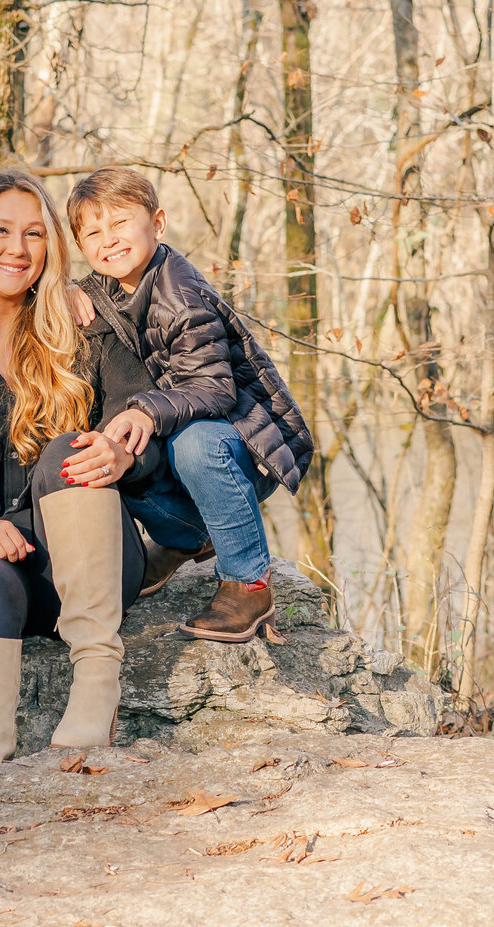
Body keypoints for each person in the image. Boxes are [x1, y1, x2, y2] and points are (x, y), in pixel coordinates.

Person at [0, 168, 161, 769]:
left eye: (34, 234)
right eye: (0, 231)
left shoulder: (84, 329)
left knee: (68, 448)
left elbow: (143, 423)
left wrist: (123, 452)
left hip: (88, 561)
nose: (17, 250)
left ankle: (98, 676)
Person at [66, 166, 313, 643]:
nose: (108, 240)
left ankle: (249, 583)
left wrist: (145, 409)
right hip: (182, 437)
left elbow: (216, 389)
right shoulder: (110, 283)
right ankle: (187, 535)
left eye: (120, 223)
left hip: (240, 443)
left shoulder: (181, 295)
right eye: (93, 232)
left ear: (157, 224)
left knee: (192, 442)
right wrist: (65, 286)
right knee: (111, 455)